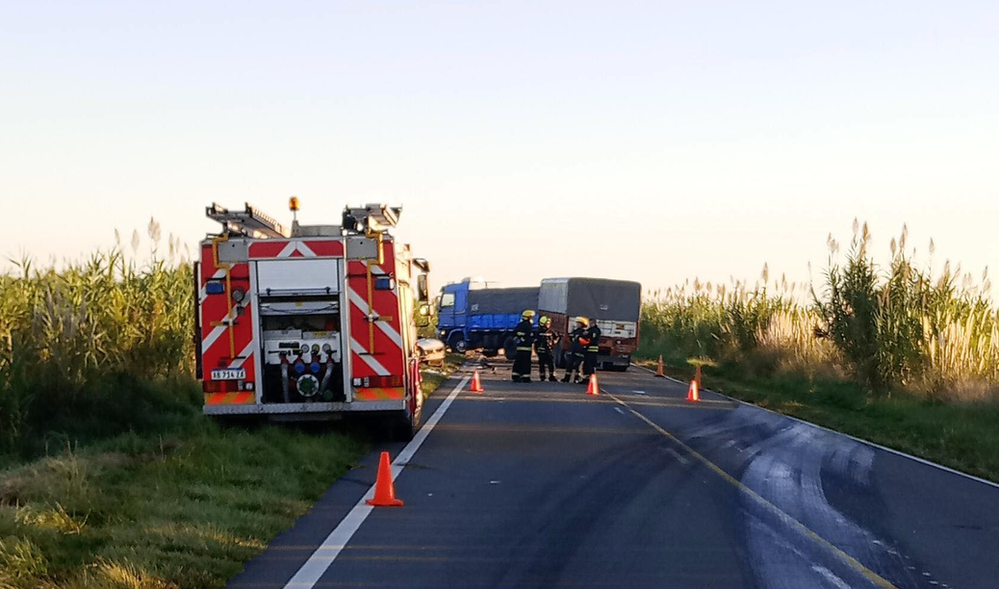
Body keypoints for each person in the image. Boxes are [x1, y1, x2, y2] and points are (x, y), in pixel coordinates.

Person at [561, 317, 589, 384]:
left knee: (577, 366)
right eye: (577, 323)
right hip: (573, 350)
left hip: (579, 351)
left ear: (582, 325)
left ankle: (576, 378)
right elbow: (571, 338)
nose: (577, 325)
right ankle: (567, 378)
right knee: (569, 364)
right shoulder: (574, 332)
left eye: (579, 323)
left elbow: (585, 342)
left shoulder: (583, 333)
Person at [511, 310, 535, 382]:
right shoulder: (528, 326)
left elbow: (514, 335)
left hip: (519, 348)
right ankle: (525, 378)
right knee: (526, 363)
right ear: (528, 318)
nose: (532, 319)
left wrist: (519, 341)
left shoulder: (519, 325)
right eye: (531, 317)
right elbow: (529, 336)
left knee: (518, 362)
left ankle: (515, 376)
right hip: (526, 349)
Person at [534, 316, 558, 382]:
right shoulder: (539, 331)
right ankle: (543, 377)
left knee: (550, 364)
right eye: (547, 323)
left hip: (547, 351)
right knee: (543, 364)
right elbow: (535, 342)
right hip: (542, 351)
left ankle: (551, 376)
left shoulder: (550, 331)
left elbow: (556, 337)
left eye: (549, 323)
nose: (548, 325)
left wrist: (554, 343)